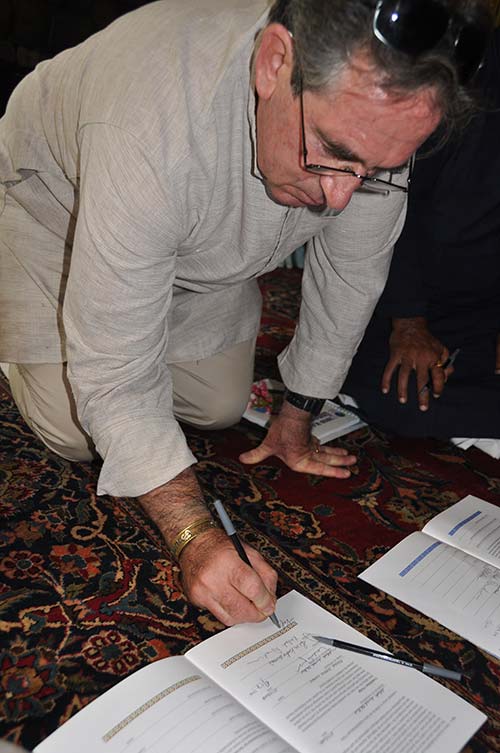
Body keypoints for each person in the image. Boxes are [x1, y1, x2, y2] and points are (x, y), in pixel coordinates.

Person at [0, 0, 492, 625]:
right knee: (76, 430)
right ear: (273, 64)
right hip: (57, 218)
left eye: (375, 172)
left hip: (194, 242)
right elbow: (117, 375)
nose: (341, 199)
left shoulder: (375, 115)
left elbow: (352, 270)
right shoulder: (148, 120)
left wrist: (299, 412)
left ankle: (155, 292)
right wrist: (193, 537)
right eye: (333, 152)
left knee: (219, 408)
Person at [341, 27, 500, 440]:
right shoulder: (457, 73)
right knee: (403, 396)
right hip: (409, 299)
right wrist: (408, 322)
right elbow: (391, 201)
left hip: (485, 310)